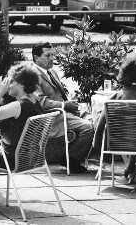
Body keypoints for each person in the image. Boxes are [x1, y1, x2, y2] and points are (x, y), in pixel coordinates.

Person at [0, 62, 42, 207]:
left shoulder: (18, 106)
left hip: (9, 158)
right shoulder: (34, 102)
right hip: (27, 156)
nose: (7, 85)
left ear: (22, 84)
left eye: (11, 81)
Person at [32, 42, 94, 173]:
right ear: (36, 58)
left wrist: (70, 103)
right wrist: (64, 106)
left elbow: (59, 94)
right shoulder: (33, 76)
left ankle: (73, 157)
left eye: (52, 55)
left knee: (96, 119)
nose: (52, 58)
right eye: (48, 55)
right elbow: (41, 103)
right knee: (89, 128)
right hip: (52, 118)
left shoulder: (52, 71)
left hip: (64, 113)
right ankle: (70, 159)